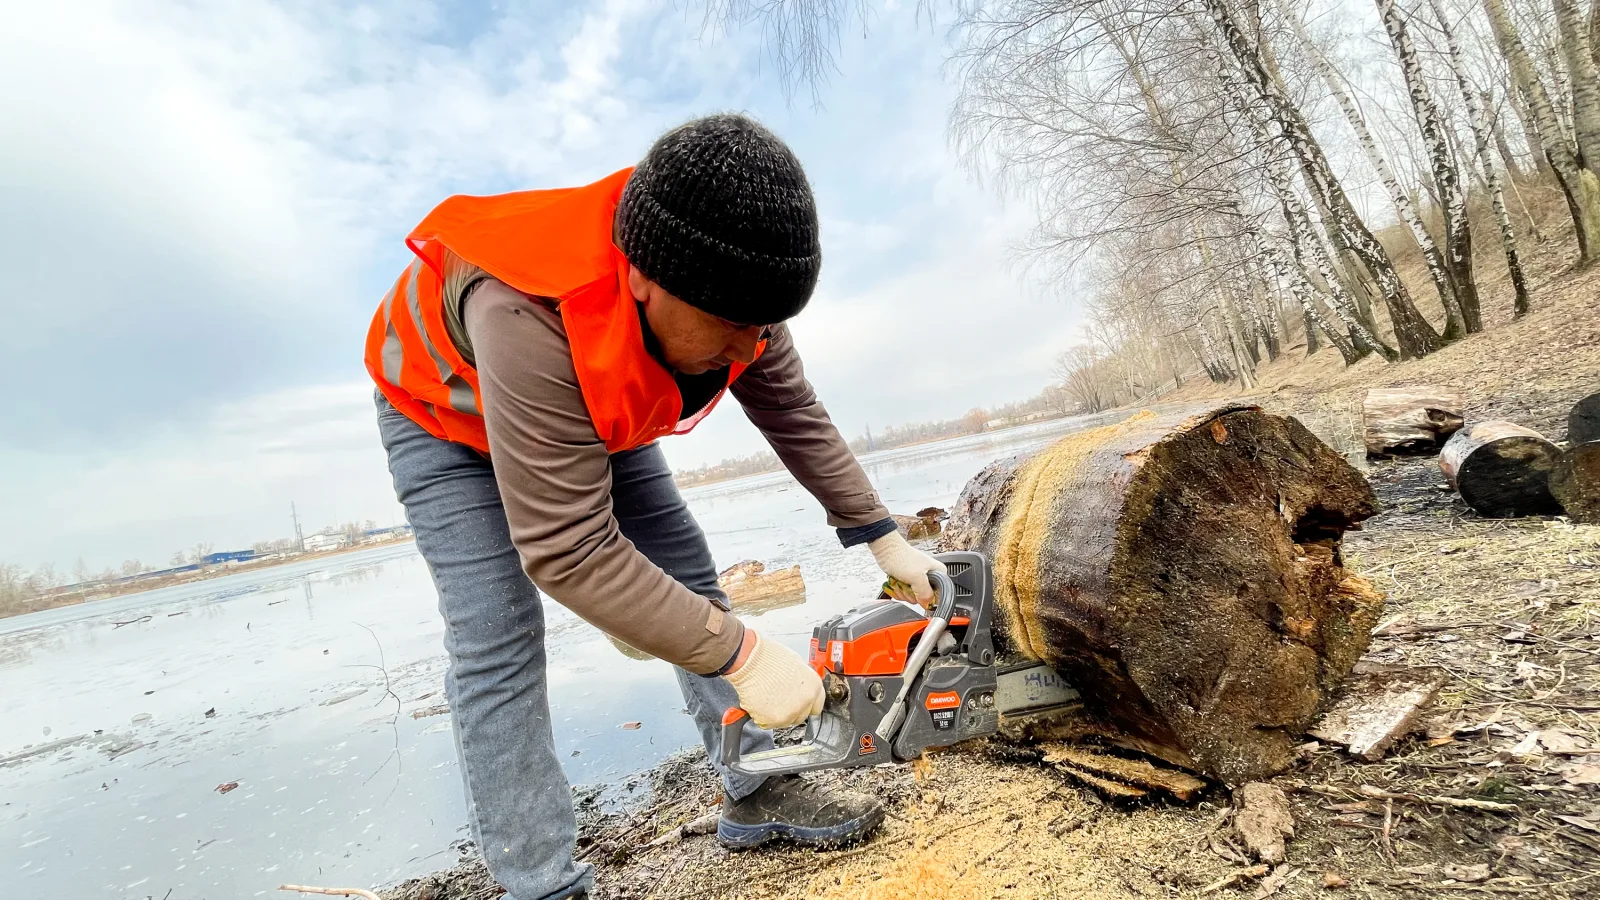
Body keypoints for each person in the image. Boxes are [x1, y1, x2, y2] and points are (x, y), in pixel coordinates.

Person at [366, 113, 945, 900]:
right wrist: (744, 656)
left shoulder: (729, 283)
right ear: (646, 278)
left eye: (765, 327)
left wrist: (881, 536)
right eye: (735, 329)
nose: (750, 351)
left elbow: (794, 413)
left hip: (596, 395)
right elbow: (568, 549)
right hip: (443, 420)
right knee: (495, 633)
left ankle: (754, 789)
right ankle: (541, 884)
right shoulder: (527, 307)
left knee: (687, 580)